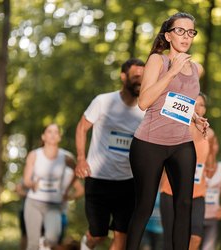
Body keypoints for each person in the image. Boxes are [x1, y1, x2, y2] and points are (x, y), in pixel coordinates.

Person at [126, 12, 209, 250]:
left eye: (190, 32)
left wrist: (194, 117)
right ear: (168, 35)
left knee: (184, 205)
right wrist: (172, 71)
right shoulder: (157, 61)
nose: (186, 36)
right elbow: (144, 102)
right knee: (144, 207)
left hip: (181, 143)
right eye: (180, 31)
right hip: (149, 144)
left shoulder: (196, 69)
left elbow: (177, 101)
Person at [75, 58, 145, 250]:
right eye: (136, 76)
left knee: (122, 236)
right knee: (98, 234)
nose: (140, 80)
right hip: (98, 178)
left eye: (143, 76)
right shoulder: (103, 101)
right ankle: (86, 244)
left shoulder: (146, 109)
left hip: (128, 182)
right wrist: (81, 159)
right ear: (123, 77)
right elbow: (82, 128)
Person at [160, 92, 214, 250]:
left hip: (197, 194)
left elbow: (210, 161)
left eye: (202, 105)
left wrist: (210, 170)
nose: (198, 107)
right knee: (170, 242)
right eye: (194, 104)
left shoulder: (209, 134)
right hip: (171, 192)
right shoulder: (176, 129)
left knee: (196, 236)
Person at [22, 123, 76, 250]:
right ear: (43, 136)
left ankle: (44, 244)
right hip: (34, 202)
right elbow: (26, 180)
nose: (52, 135)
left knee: (52, 239)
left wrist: (67, 190)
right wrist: (32, 184)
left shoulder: (66, 157)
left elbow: (77, 171)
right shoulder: (34, 155)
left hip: (54, 205)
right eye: (49, 131)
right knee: (32, 244)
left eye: (56, 132)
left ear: (59, 137)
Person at [202, 135, 221, 250]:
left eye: (215, 144)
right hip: (196, 215)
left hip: (213, 216)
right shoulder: (197, 166)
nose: (213, 147)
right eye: (210, 144)